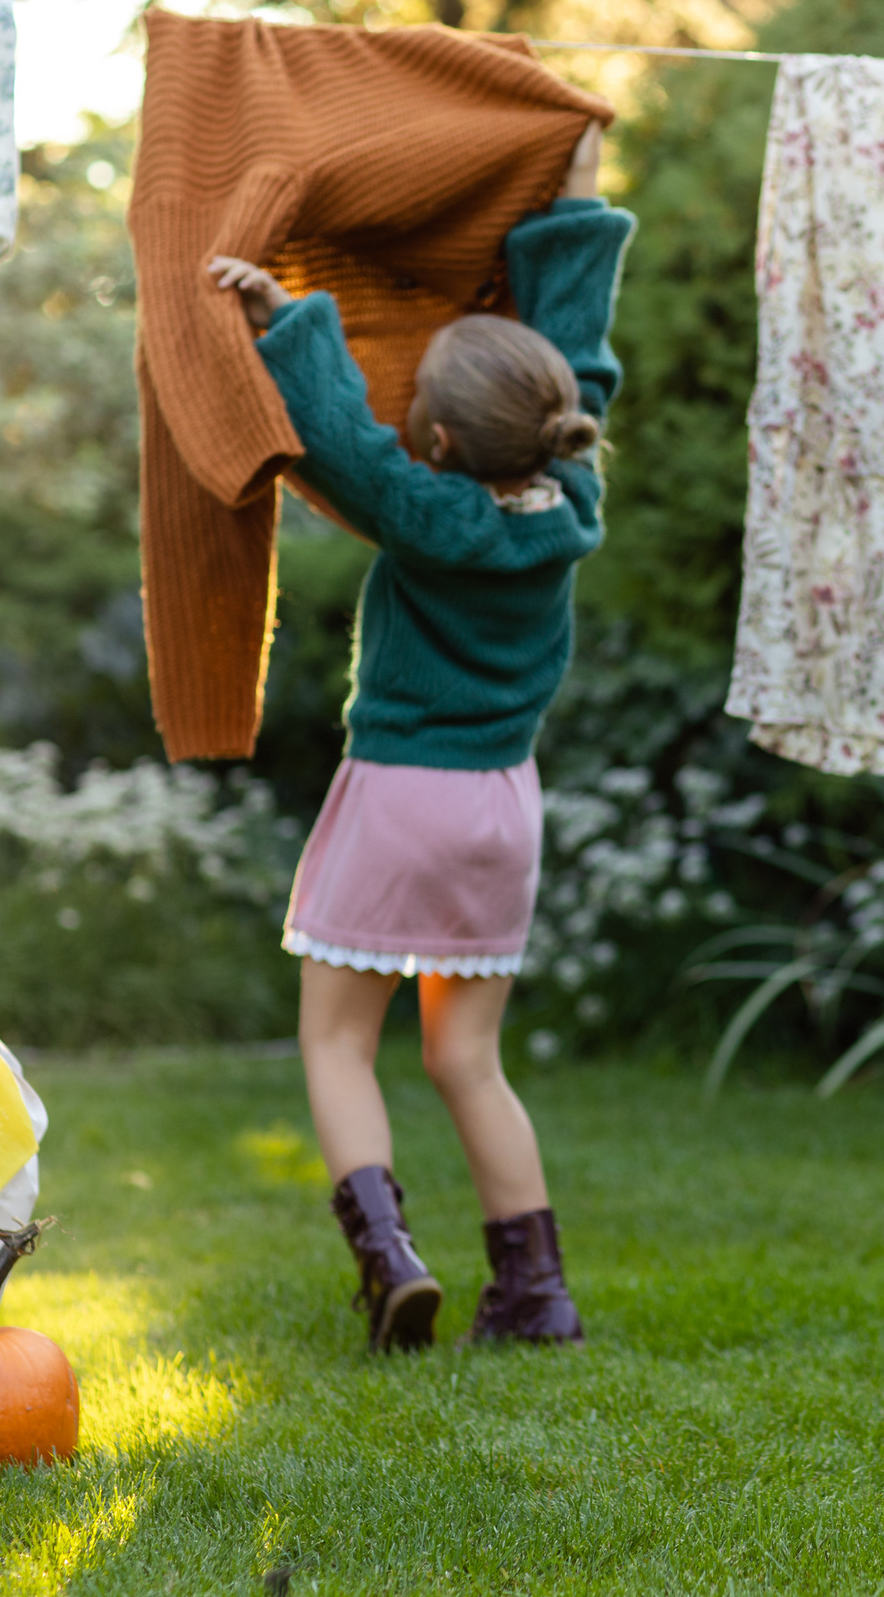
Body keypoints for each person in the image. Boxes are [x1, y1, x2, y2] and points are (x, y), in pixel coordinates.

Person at [204, 121, 630, 1354]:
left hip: (398, 795)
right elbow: (584, 367)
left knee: (338, 1040)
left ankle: (389, 1259)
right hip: (502, 808)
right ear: (554, 425)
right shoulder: (576, 495)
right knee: (469, 1061)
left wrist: (293, 312)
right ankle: (536, 1293)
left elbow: (335, 436)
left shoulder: (419, 507)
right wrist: (578, 206)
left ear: (436, 443)